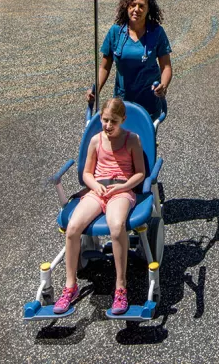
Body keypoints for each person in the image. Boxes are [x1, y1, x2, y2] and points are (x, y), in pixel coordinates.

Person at [54, 98, 145, 315]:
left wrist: (122, 186)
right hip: (97, 191)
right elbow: (87, 173)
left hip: (121, 191)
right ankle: (70, 286)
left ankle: (121, 287)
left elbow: (140, 174)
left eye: (113, 121)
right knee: (73, 227)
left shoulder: (132, 140)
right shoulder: (96, 140)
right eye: (105, 120)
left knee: (116, 226)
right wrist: (95, 185)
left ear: (123, 120)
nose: (108, 125)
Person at [87, 0, 172, 121]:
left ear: (148, 9)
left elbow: (166, 67)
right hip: (122, 102)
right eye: (132, 5)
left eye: (141, 6)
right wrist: (96, 89)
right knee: (120, 139)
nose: (136, 9)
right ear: (126, 7)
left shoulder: (157, 32)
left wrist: (164, 85)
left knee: (145, 140)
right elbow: (104, 67)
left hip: (149, 103)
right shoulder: (115, 32)